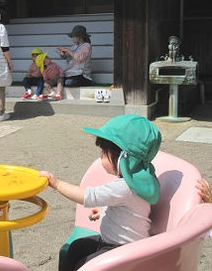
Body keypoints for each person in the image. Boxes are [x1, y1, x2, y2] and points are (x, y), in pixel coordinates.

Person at [40, 114, 162, 271]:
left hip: (123, 250)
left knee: (86, 265)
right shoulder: (140, 181)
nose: (100, 158)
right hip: (114, 242)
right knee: (76, 247)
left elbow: (87, 196)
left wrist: (56, 183)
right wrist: (105, 211)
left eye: (104, 154)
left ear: (123, 157)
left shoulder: (126, 187)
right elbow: (130, 209)